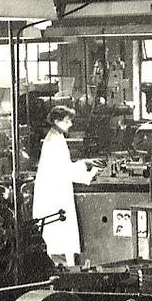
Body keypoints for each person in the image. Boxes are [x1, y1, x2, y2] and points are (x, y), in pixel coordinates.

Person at [32, 104, 98, 265]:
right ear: (57, 121)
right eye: (68, 121)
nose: (71, 124)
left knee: (61, 241)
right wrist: (89, 173)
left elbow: (64, 165)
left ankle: (66, 268)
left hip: (56, 193)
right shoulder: (53, 141)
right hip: (54, 198)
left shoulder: (56, 137)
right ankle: (64, 272)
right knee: (58, 241)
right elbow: (65, 170)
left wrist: (84, 162)